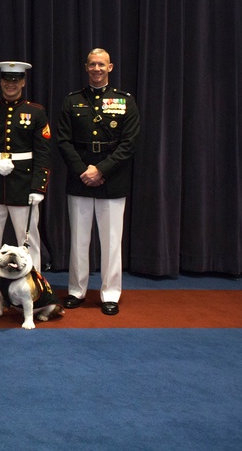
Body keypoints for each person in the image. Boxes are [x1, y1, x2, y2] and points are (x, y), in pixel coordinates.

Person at [56, 48, 140, 315]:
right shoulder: (72, 101)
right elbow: (63, 140)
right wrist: (84, 171)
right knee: (79, 239)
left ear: (110, 67)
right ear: (86, 67)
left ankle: (110, 293)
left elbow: (129, 143)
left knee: (112, 240)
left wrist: (101, 170)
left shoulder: (124, 100)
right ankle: (76, 290)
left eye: (101, 64)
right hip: (80, 177)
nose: (96, 69)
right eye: (92, 64)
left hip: (112, 178)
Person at [0, 61, 52, 309]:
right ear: (0, 81)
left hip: (24, 186)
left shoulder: (35, 112)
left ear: (23, 82)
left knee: (29, 242)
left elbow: (43, 153)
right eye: (7, 79)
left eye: (16, 79)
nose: (11, 84)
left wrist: (39, 187)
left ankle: (35, 289)